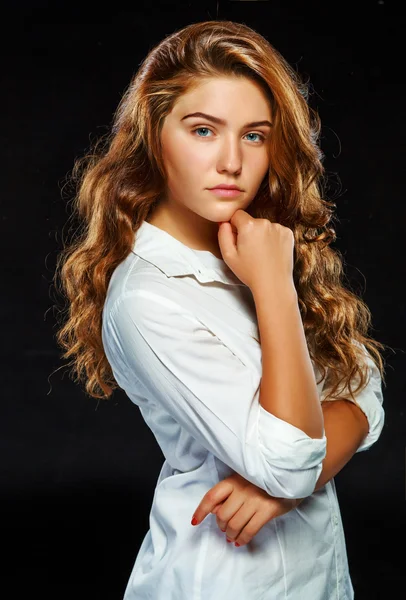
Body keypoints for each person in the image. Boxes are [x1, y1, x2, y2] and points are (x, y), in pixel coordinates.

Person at [54, 20, 387, 599]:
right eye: (203, 130)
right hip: (222, 578)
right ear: (154, 137)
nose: (231, 161)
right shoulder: (147, 297)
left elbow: (363, 385)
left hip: (318, 576)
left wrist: (282, 488)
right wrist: (274, 288)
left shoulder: (258, 243)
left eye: (254, 135)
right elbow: (292, 460)